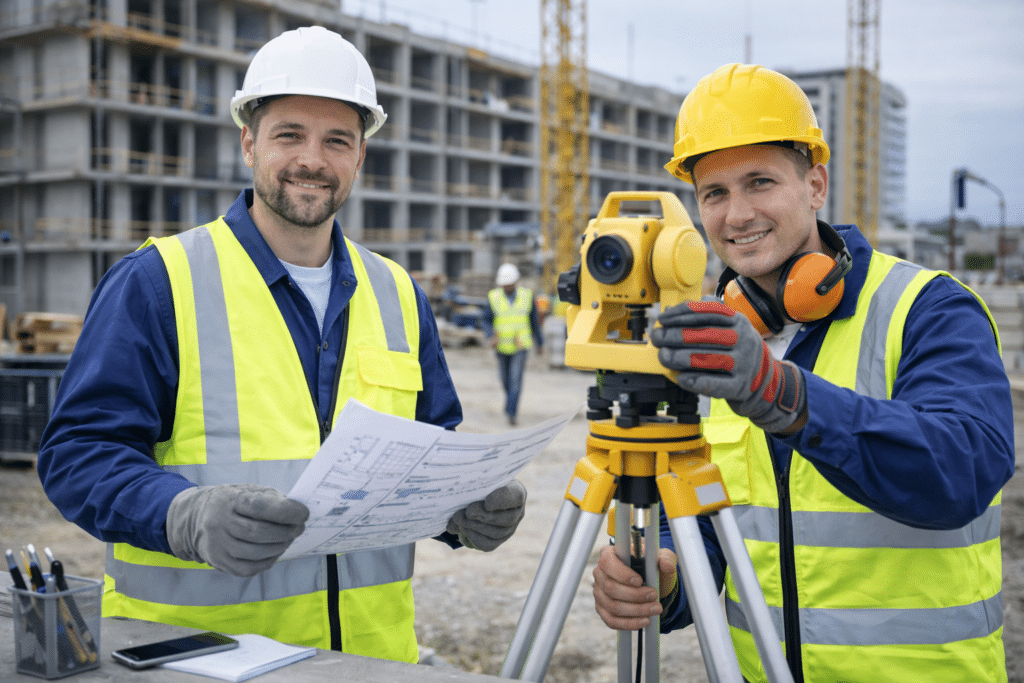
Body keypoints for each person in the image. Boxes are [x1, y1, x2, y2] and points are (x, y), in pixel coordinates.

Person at [36, 26, 526, 663]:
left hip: (369, 663)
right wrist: (179, 513)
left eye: (336, 141)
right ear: (249, 143)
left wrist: (466, 506)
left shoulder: (397, 293)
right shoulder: (159, 282)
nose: (312, 160)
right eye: (289, 134)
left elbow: (429, 451)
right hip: (198, 660)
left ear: (360, 157)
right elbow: (78, 453)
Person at [590, 63, 1013, 682]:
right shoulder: (716, 341)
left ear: (815, 185)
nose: (737, 214)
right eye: (715, 193)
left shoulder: (928, 309)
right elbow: (714, 527)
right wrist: (669, 578)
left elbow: (963, 472)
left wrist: (786, 396)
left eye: (760, 182)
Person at [481, 263, 544, 425]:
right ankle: (510, 404)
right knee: (505, 380)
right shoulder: (493, 297)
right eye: (505, 285)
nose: (507, 287)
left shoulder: (527, 296)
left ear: (516, 282)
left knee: (515, 380)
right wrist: (490, 336)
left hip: (520, 345)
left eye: (510, 284)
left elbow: (534, 323)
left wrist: (540, 343)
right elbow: (486, 320)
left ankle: (511, 412)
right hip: (501, 345)